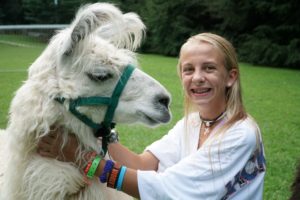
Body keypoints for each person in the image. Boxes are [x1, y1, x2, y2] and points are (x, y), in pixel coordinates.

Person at [38, 32, 266, 199]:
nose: (197, 77)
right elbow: (143, 165)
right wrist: (103, 133)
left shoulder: (241, 134)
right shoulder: (192, 123)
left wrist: (81, 159)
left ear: (230, 77)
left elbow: (165, 189)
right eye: (189, 69)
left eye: (209, 68)